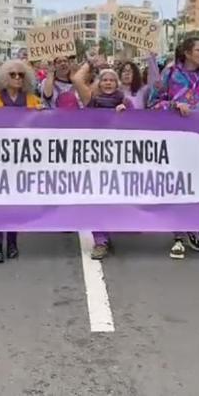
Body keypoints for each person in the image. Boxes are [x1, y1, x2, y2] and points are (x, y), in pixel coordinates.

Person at [149, 37, 199, 259]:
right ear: (188, 53)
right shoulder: (169, 76)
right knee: (178, 186)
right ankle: (178, 235)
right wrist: (172, 105)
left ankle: (195, 226)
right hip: (176, 141)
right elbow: (153, 103)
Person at [0, 59, 43, 262]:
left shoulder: (32, 100)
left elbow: (40, 127)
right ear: (4, 77)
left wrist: (43, 115)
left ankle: (13, 241)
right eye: (13, 74)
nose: (17, 78)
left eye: (21, 75)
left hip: (21, 158)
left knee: (16, 201)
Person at [70, 63, 131, 259]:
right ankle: (100, 240)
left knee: (114, 197)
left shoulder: (125, 101)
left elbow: (140, 125)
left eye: (112, 80)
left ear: (117, 83)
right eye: (104, 79)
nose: (108, 83)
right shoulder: (92, 99)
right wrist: (91, 63)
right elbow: (77, 80)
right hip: (95, 157)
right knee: (97, 197)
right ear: (99, 82)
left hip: (119, 157)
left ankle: (109, 230)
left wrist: (126, 113)